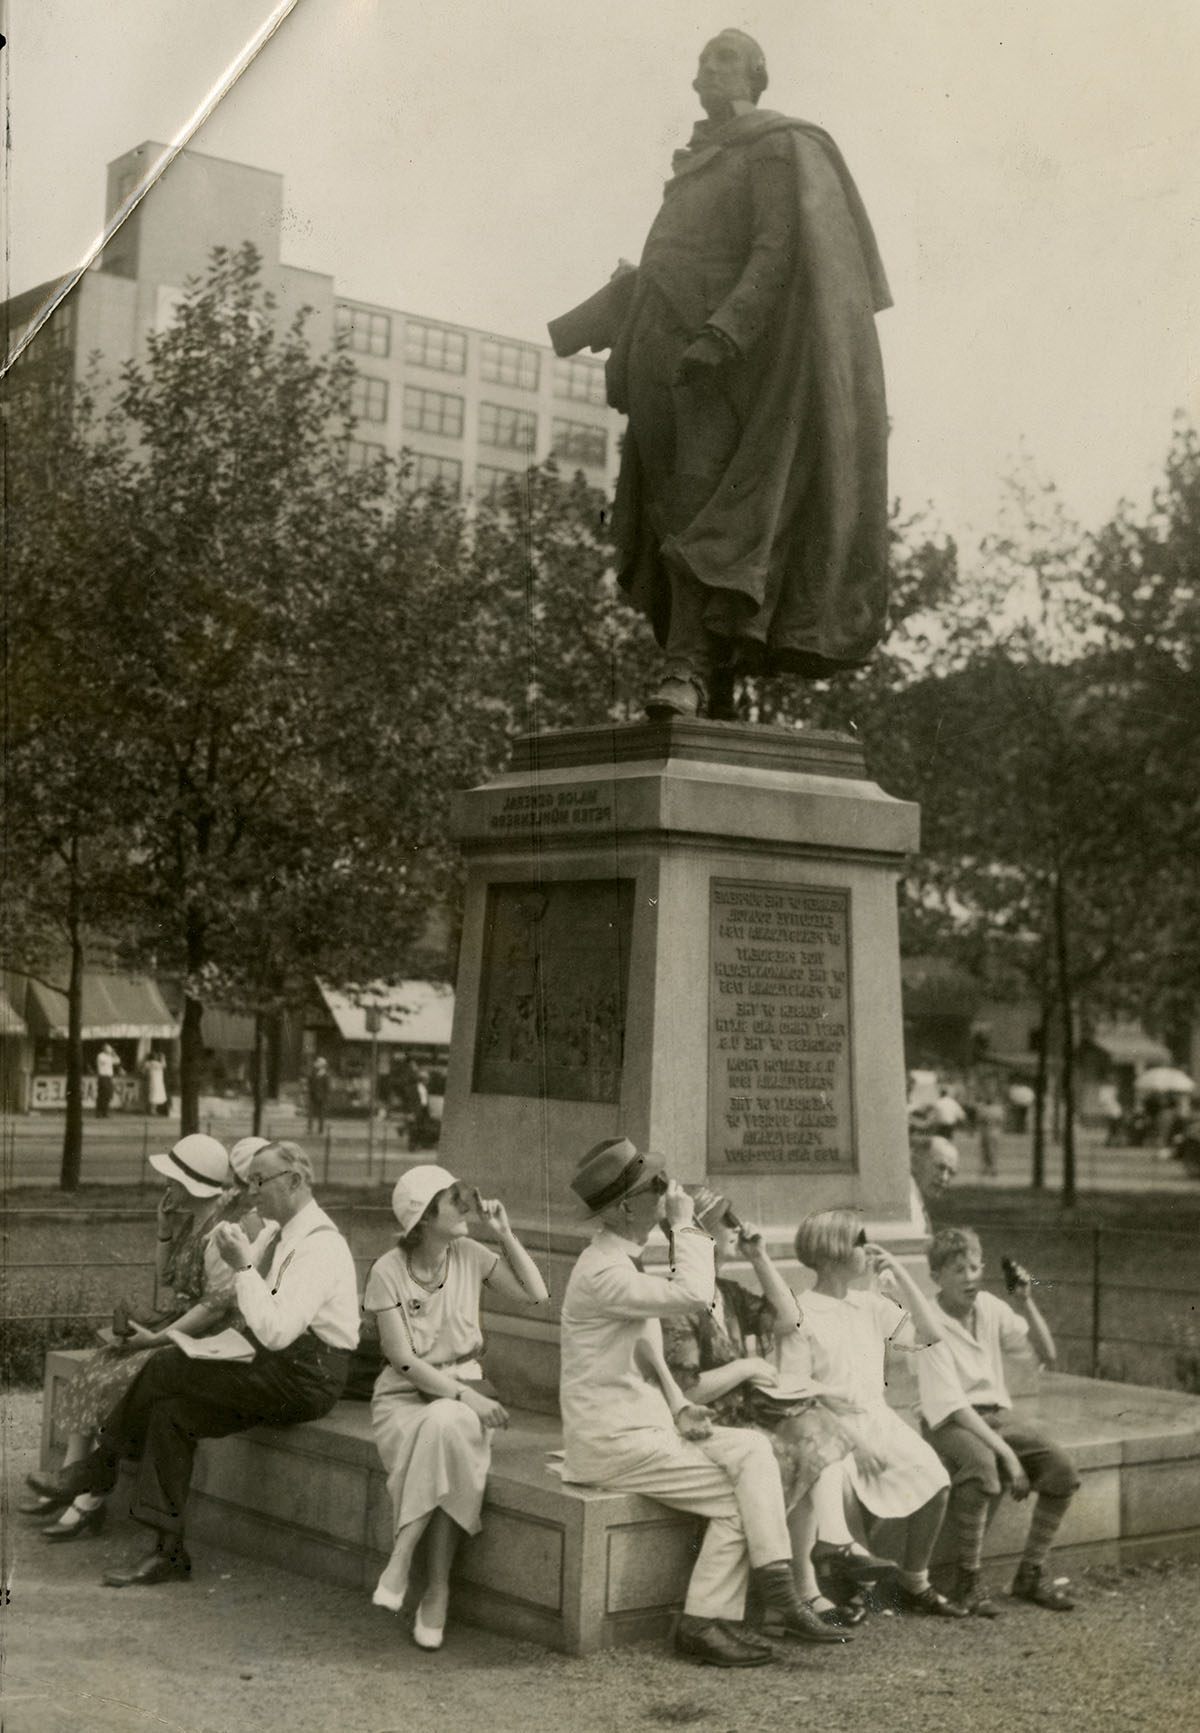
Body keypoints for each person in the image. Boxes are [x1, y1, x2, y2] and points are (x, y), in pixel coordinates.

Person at [549, 29, 891, 720]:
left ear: (757, 74)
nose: (707, 68)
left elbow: (776, 252)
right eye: (702, 59)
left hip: (715, 361)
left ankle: (687, 669)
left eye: (724, 58)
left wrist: (725, 332)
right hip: (655, 349)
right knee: (664, 510)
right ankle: (712, 683)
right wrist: (611, 311)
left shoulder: (774, 144)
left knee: (707, 513)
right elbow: (674, 259)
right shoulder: (697, 162)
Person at [559, 1136, 849, 1668]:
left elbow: (644, 1350)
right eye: (656, 1188)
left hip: (642, 1427)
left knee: (753, 1455)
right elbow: (693, 1293)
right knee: (744, 1492)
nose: (669, 1194)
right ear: (625, 1207)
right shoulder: (603, 1273)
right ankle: (712, 1618)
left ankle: (770, 1594)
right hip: (611, 1442)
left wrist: (677, 1404)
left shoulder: (620, 1263)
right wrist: (687, 1226)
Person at [31, 1140, 358, 1587]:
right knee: (172, 1414)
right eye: (249, 1182)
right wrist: (242, 1255)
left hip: (307, 1376)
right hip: (276, 1366)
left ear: (296, 1182)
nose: (252, 1192)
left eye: (260, 1182)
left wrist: (242, 1267)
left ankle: (99, 1467)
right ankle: (168, 1552)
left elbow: (276, 1330)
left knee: (166, 1368)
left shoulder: (320, 1246)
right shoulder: (281, 1232)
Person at [24, 1134, 258, 1540]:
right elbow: (167, 1278)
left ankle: (87, 1501)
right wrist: (163, 1230)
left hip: (209, 1337)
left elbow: (216, 1307)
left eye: (172, 1180)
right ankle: (70, 1482)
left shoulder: (222, 1232)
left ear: (192, 1185)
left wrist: (156, 1339)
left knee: (116, 1375)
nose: (166, 1187)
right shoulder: (194, 1223)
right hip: (184, 1325)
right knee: (96, 1365)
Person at [659, 1189, 871, 1630]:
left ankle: (807, 1582)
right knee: (799, 1448)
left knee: (816, 1432)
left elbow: (791, 1321)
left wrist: (759, 1258)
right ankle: (796, 1592)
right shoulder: (678, 1303)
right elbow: (689, 1391)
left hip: (744, 1418)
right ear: (700, 1235)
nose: (735, 1227)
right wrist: (747, 1365)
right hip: (706, 1426)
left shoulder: (728, 1293)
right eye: (725, 1220)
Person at [366, 1164, 549, 1650]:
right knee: (450, 1428)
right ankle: (437, 1587)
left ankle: (402, 1555)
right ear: (424, 1218)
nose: (465, 1204)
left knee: (448, 1424)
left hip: (462, 1388)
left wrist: (506, 1235)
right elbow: (402, 1361)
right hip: (405, 1398)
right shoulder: (386, 1271)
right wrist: (467, 1397)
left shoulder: (469, 1253)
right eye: (452, 1199)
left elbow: (537, 1294)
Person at [792, 1209, 963, 1617]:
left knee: (935, 1477)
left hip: (878, 1417)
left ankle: (914, 1580)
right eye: (858, 1241)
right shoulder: (802, 1310)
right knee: (846, 1488)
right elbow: (799, 1393)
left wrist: (901, 1275)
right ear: (833, 1253)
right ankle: (849, 1587)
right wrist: (857, 1443)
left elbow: (931, 1335)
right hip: (828, 1426)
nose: (868, 1249)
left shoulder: (869, 1305)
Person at [916, 1229, 1079, 1615]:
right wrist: (1007, 1455)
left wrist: (1026, 1302)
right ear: (936, 1276)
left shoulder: (988, 1307)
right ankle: (966, 1584)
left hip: (994, 1416)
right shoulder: (927, 1320)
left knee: (1062, 1470)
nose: (970, 1276)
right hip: (948, 1420)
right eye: (958, 1270)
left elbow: (1047, 1354)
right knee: (983, 1467)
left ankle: (1030, 1575)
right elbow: (952, 1406)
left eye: (975, 1267)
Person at [909, 1133, 959, 1237]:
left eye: (951, 1173)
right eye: (940, 1167)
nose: (944, 1178)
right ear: (915, 1162)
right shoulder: (907, 1202)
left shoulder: (916, 1200)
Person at [976, 1096, 1004, 1178]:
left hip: (986, 1131)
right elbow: (1001, 1121)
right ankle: (993, 1168)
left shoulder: (983, 1110)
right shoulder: (998, 1109)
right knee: (993, 1151)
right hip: (996, 1132)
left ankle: (987, 1168)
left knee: (986, 1151)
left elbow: (979, 1120)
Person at [94, 1041, 120, 1117]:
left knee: (108, 1095)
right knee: (102, 1094)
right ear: (104, 1049)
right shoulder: (100, 1056)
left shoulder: (109, 1056)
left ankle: (105, 1111)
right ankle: (99, 1112)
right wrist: (111, 1054)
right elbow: (106, 1061)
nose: (110, 1049)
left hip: (109, 1077)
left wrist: (114, 1053)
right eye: (109, 1048)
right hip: (103, 1076)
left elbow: (118, 1061)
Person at [141, 1049, 169, 1117]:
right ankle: (153, 1110)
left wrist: (146, 1074)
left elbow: (142, 1071)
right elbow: (164, 1065)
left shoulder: (147, 1063)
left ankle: (150, 1109)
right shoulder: (158, 1064)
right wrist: (163, 1058)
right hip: (158, 1081)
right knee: (155, 1095)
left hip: (151, 1080)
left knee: (151, 1094)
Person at [307, 1055, 330, 1135]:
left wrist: (325, 1096)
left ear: (322, 1065)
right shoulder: (314, 1072)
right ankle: (310, 1129)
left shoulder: (325, 1075)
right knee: (311, 1113)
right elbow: (309, 1081)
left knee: (321, 1114)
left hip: (321, 1096)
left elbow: (327, 1087)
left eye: (318, 1062)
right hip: (313, 1095)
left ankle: (320, 1130)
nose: (316, 1063)